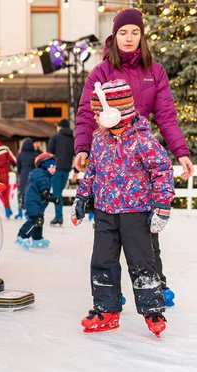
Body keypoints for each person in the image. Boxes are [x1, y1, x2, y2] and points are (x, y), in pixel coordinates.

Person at [73, 8, 191, 306]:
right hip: (109, 150)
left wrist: (181, 152)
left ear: (142, 36)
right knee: (109, 235)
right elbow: (87, 113)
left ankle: (155, 284)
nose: (129, 38)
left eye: (135, 32)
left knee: (145, 228)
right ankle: (112, 292)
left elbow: (165, 115)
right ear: (114, 36)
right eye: (123, 32)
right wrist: (83, 147)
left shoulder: (155, 71)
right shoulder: (101, 72)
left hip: (139, 152)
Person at [71, 79, 173, 337]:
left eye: (100, 112)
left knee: (142, 262)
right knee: (102, 261)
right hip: (105, 212)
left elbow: (162, 171)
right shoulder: (99, 140)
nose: (97, 117)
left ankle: (152, 310)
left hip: (135, 212)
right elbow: (92, 172)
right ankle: (106, 308)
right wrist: (82, 198)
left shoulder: (143, 139)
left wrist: (162, 205)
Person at [15, 153, 60, 249]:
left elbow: (27, 189)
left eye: (55, 167)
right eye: (51, 166)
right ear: (44, 166)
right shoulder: (43, 176)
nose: (54, 169)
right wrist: (54, 198)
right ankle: (22, 236)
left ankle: (37, 238)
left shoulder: (36, 174)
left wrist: (23, 200)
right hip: (34, 203)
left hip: (33, 202)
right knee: (35, 220)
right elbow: (45, 192)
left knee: (39, 220)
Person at [47, 119, 75, 226]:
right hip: (67, 170)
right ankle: (58, 216)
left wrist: (49, 167)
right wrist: (76, 170)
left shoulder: (55, 137)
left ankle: (59, 217)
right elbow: (76, 154)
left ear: (60, 127)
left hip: (56, 169)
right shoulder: (72, 139)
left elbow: (49, 153)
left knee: (57, 194)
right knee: (59, 193)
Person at [15, 138, 37, 219]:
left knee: (22, 194)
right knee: (31, 194)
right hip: (33, 175)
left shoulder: (20, 155)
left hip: (23, 175)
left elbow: (18, 167)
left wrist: (21, 173)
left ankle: (20, 212)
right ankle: (30, 213)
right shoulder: (35, 155)